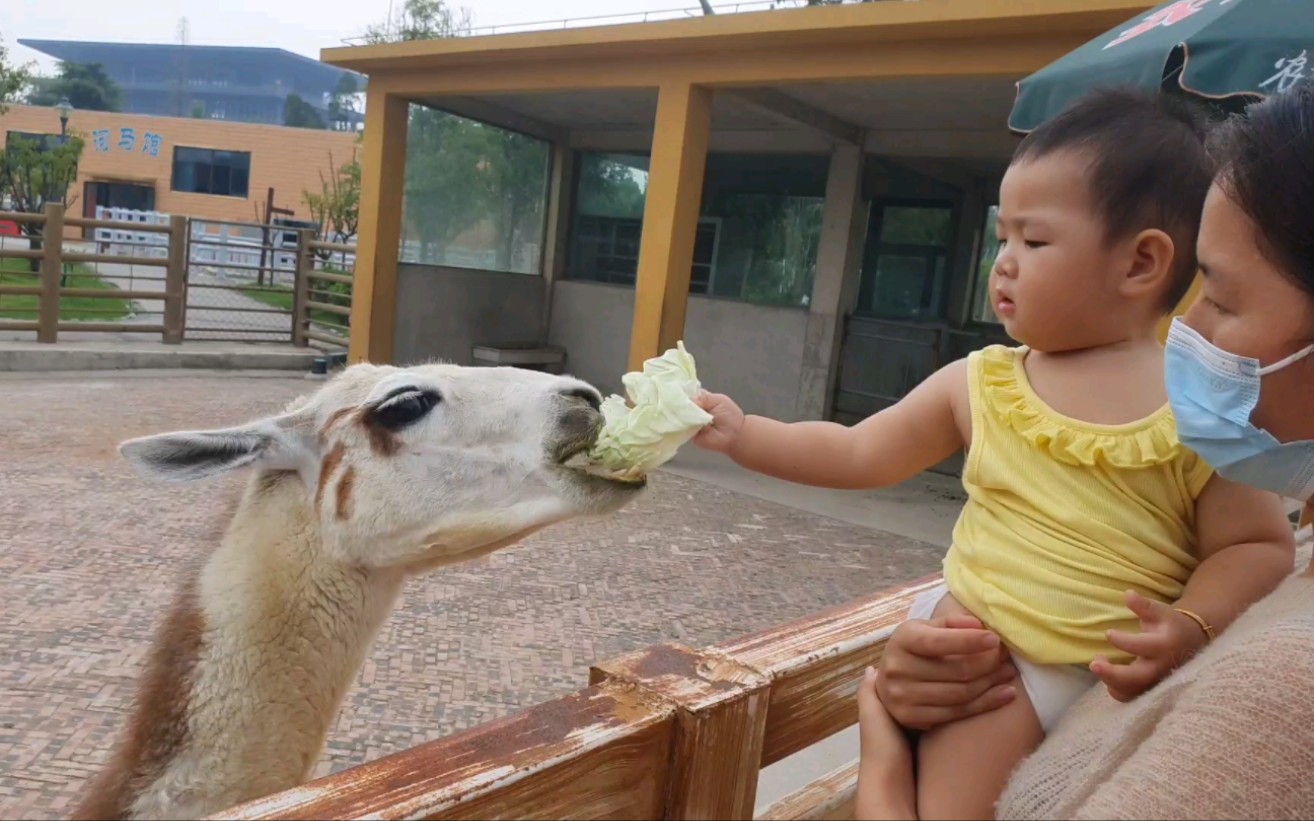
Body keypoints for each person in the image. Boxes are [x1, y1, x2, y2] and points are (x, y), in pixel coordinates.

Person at [693, 87, 1296, 820]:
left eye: (1034, 242)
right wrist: (746, 432)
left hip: (1093, 677)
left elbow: (1257, 545)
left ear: (1141, 262)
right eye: (1000, 237)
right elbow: (858, 451)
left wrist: (1193, 623)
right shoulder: (984, 383)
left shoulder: (1196, 408)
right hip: (987, 664)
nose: (1003, 264)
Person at [862, 79, 1314, 819]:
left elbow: (1249, 547)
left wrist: (880, 762)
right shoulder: (1300, 562)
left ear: (1140, 263)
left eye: (1222, 298)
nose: (1189, 328)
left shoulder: (1281, 699)